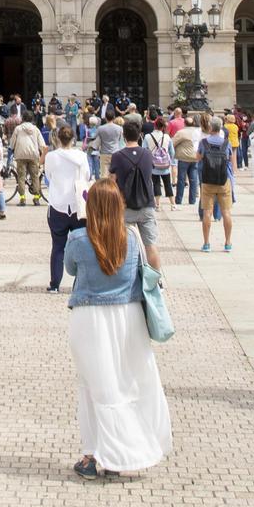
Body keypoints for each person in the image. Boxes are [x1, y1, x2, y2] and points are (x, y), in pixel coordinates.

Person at [64, 179, 170, 479]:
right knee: (127, 382)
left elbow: (70, 269)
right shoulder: (132, 238)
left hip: (90, 317)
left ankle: (93, 454)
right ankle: (119, 455)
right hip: (128, 316)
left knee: (94, 387)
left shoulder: (78, 239)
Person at [44, 124, 91, 293]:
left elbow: (48, 176)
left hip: (58, 203)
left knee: (57, 246)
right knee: (82, 245)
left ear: (57, 139)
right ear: (73, 139)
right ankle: (79, 283)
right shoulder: (81, 156)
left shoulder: (51, 156)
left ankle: (55, 284)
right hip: (78, 203)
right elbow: (87, 176)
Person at [107, 115, 160, 259]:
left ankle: (127, 276)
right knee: (150, 246)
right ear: (140, 135)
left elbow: (112, 180)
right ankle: (155, 279)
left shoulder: (118, 156)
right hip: (146, 203)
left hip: (125, 205)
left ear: (124, 136)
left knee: (124, 246)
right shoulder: (148, 154)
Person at [197, 114, 234, 253]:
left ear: (211, 127)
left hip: (207, 180)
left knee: (207, 212)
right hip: (223, 180)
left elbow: (198, 157)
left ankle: (206, 243)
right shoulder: (226, 143)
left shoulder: (204, 143)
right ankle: (228, 242)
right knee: (226, 212)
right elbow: (230, 159)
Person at [10, 114, 46, 205]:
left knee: (21, 177)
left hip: (20, 155)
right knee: (35, 176)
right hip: (33, 155)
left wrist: (11, 148)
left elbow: (12, 142)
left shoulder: (18, 129)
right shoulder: (35, 129)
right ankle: (36, 198)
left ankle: (22, 199)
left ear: (23, 119)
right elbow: (42, 143)